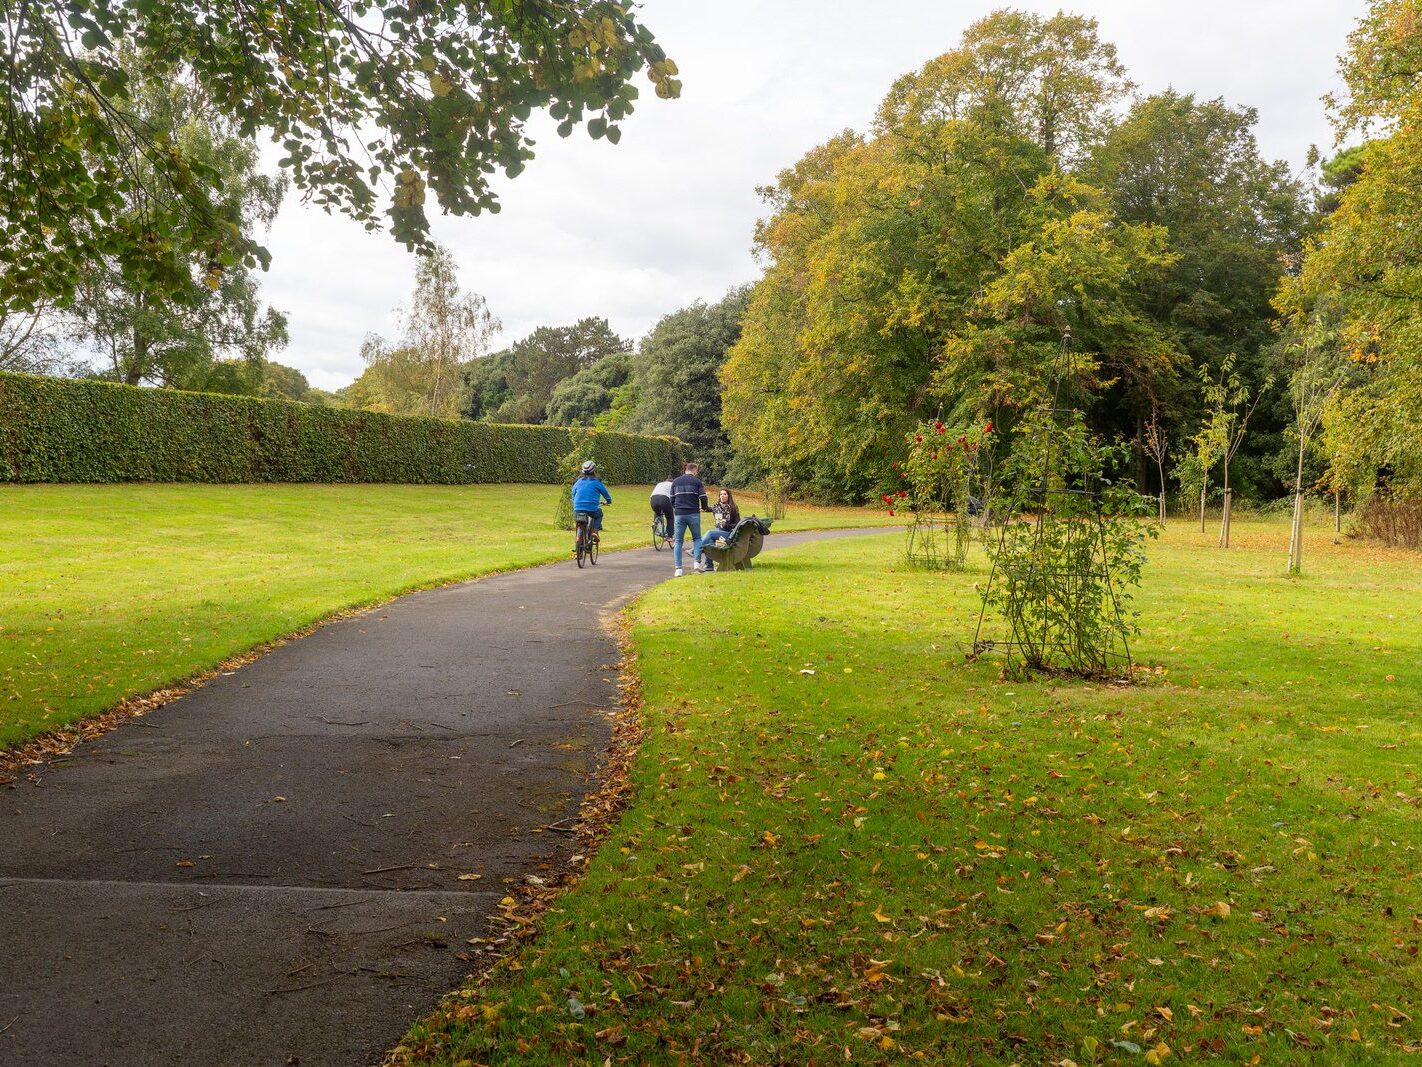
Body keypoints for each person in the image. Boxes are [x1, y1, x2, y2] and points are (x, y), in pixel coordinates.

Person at [669, 461, 712, 576]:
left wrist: (676, 508)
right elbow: (703, 497)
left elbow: (671, 499)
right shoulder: (697, 482)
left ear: (685, 469)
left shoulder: (675, 482)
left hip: (679, 514)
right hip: (693, 513)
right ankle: (697, 565)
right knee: (697, 538)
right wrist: (705, 507)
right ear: (695, 470)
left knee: (678, 541)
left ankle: (678, 569)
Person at [698, 488, 741, 569]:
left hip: (729, 533)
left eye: (724, 494)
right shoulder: (717, 506)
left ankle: (696, 550)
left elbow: (737, 524)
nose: (722, 496)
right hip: (719, 531)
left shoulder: (733, 507)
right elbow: (707, 508)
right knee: (709, 540)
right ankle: (709, 565)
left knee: (710, 533)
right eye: (721, 494)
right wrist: (702, 506)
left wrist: (727, 525)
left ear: (728, 496)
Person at [570, 459, 612, 541]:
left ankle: (578, 542)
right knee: (599, 514)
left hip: (577, 508)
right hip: (592, 509)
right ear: (594, 470)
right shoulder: (597, 482)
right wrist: (608, 501)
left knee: (578, 523)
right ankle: (595, 532)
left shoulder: (578, 482)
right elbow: (606, 494)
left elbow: (573, 493)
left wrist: (575, 503)